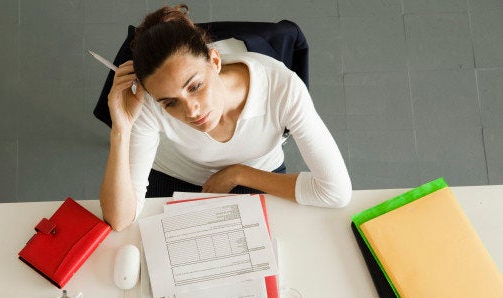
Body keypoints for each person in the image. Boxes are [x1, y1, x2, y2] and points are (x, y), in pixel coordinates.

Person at [100, 4, 351, 231]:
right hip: (174, 177)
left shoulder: (282, 88)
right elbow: (120, 219)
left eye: (195, 86)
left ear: (215, 61)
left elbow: (335, 192)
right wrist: (121, 129)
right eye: (171, 103)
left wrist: (239, 174)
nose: (192, 111)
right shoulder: (149, 102)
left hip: (258, 173)